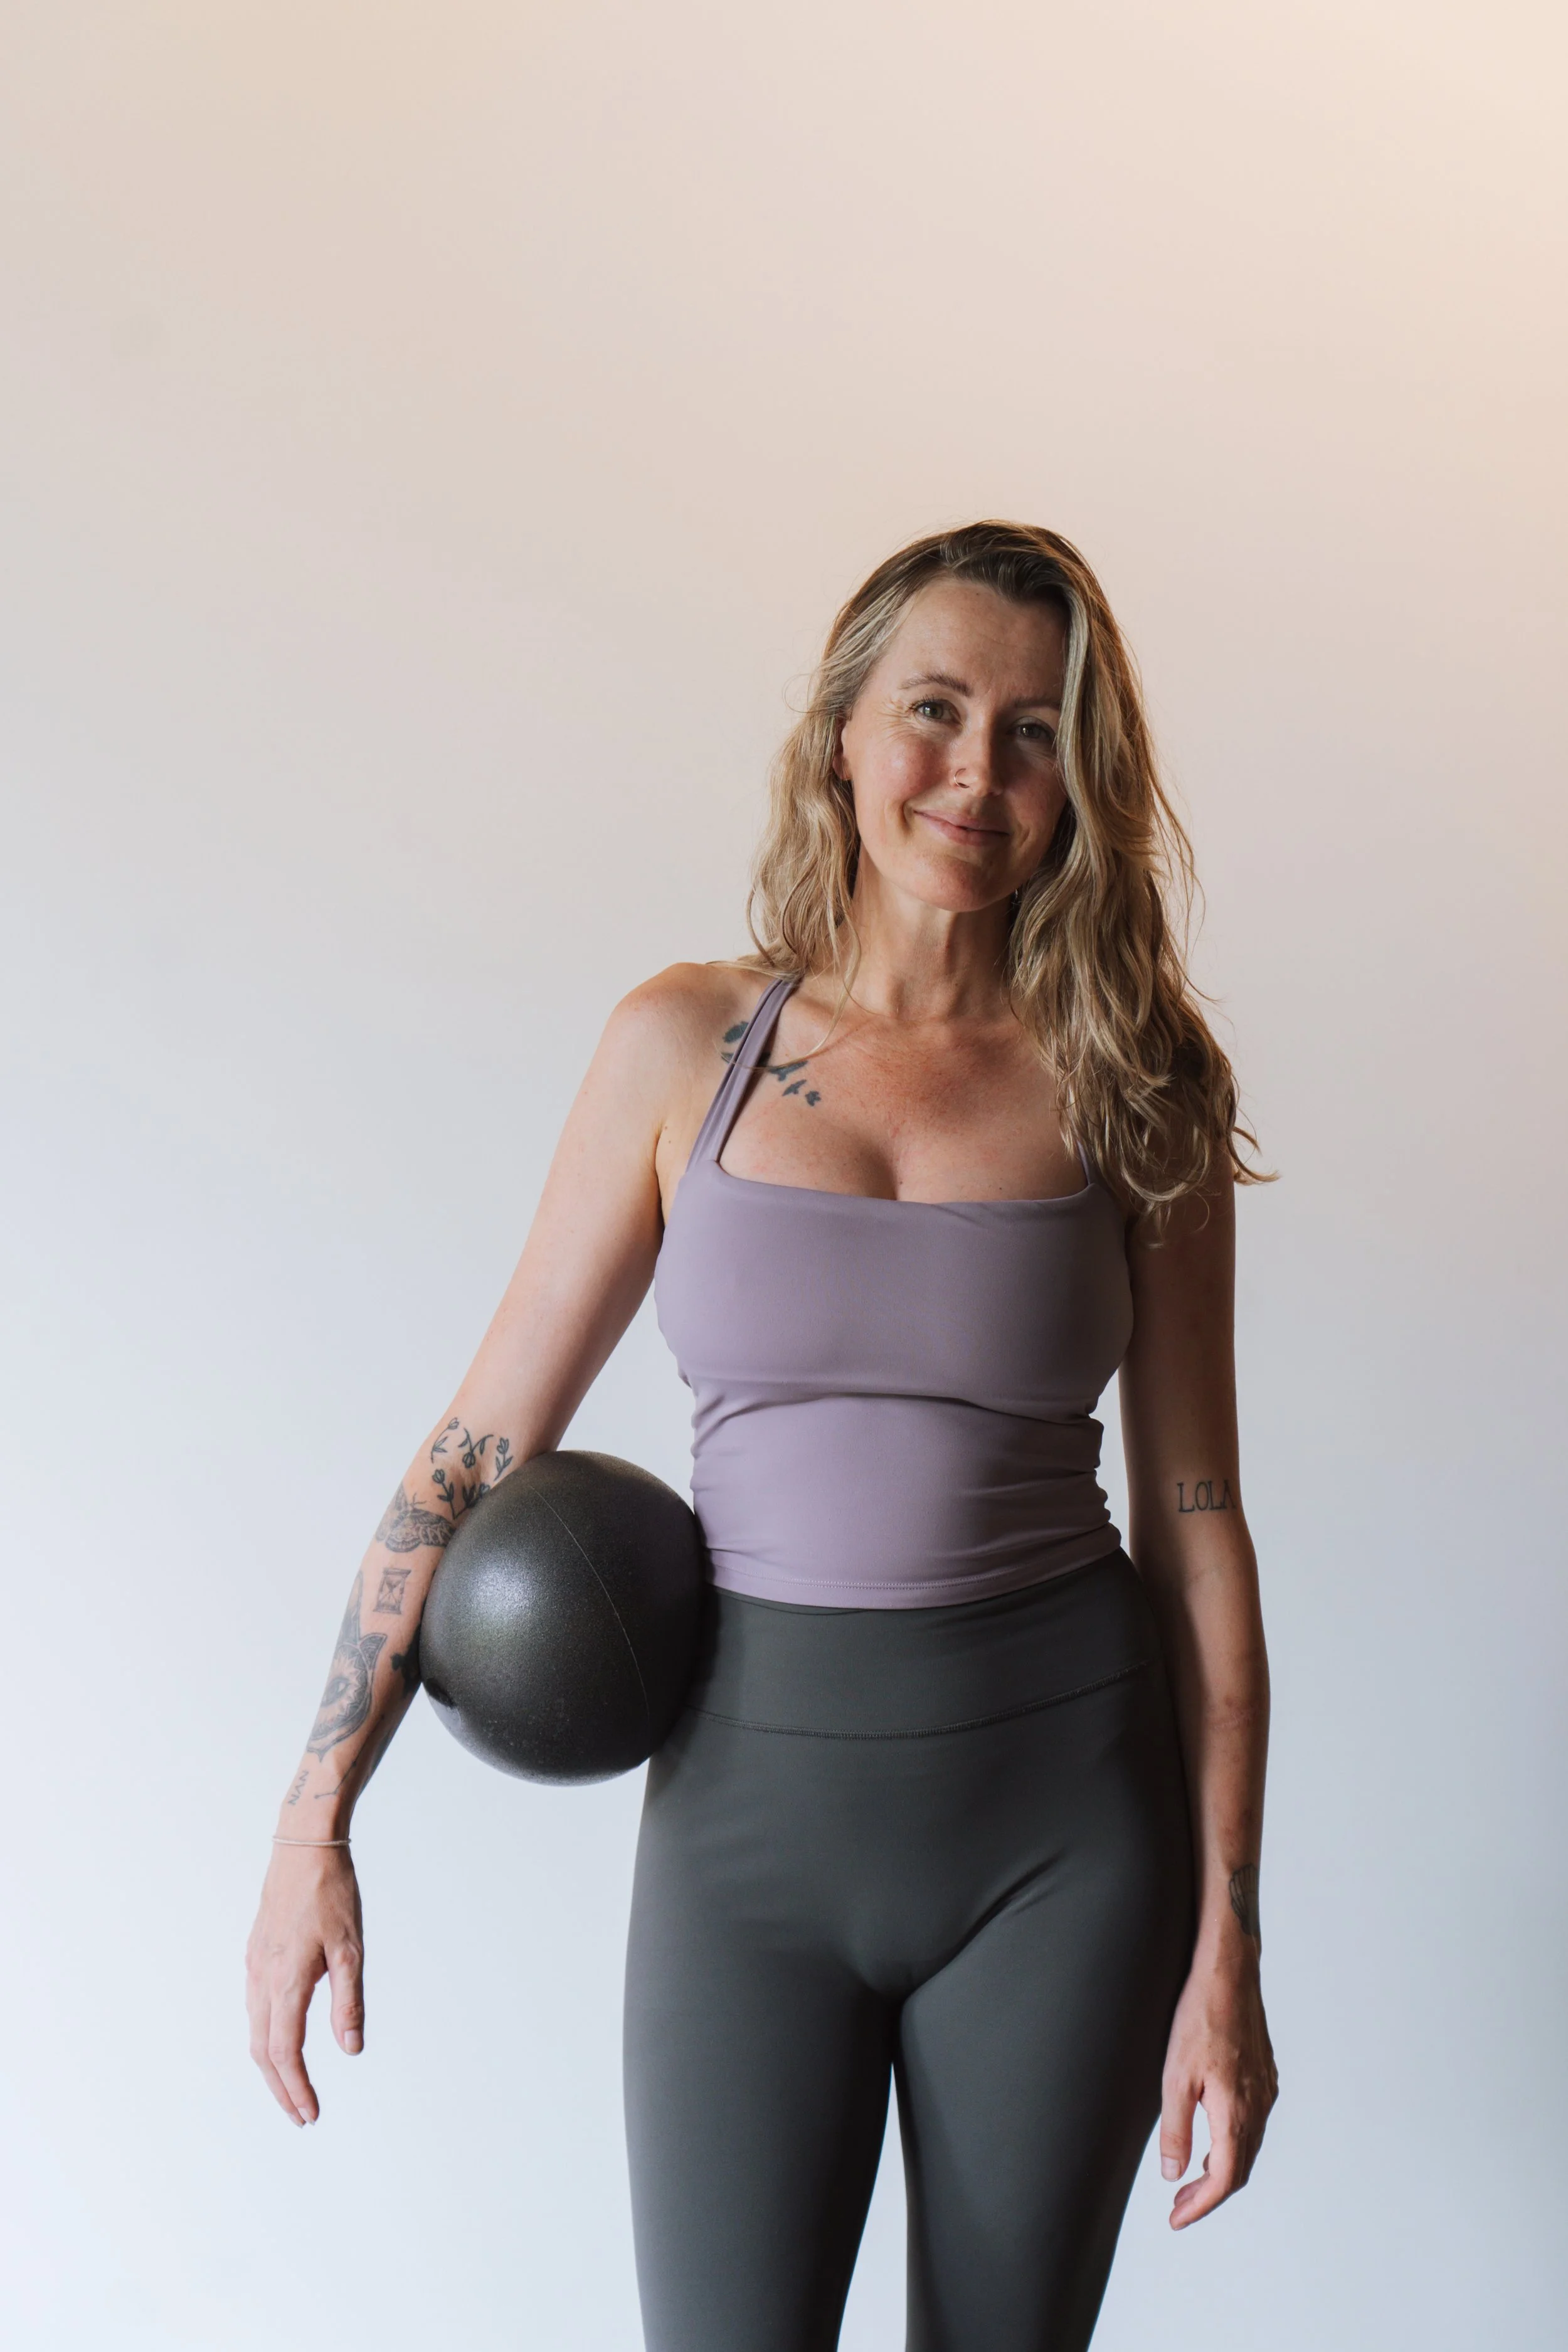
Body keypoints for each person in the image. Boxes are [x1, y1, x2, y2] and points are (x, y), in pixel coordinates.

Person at [246, 519, 1278, 2350]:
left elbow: (1195, 1514)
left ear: (1081, 780)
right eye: (934, 709)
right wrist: (315, 1817)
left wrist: (1227, 1941)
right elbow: (479, 1445)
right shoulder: (681, 1047)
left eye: (1035, 730)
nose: (976, 772)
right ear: (839, 736)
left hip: (1062, 1826)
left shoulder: (1138, 1076)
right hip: (750, 1824)